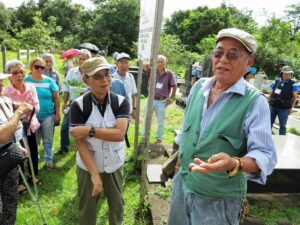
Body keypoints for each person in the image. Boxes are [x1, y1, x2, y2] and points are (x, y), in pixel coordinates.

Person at [168, 28, 277, 225]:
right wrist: (178, 165)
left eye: (233, 55)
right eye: (218, 53)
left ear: (249, 61)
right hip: (182, 185)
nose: (223, 60)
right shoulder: (199, 87)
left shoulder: (254, 102)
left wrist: (234, 163)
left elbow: (265, 155)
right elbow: (186, 130)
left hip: (218, 200)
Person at [69, 57, 130, 225]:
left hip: (114, 164)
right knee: (87, 210)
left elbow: (119, 134)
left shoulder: (121, 102)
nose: (105, 80)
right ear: (85, 80)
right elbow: (80, 143)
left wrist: (89, 130)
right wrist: (94, 175)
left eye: (107, 74)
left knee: (116, 207)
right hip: (88, 166)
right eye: (98, 76)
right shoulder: (78, 106)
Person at [3, 60, 42, 190]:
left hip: (31, 124)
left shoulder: (31, 87)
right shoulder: (5, 92)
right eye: (15, 73)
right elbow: (9, 112)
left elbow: (36, 106)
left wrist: (23, 111)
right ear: (9, 76)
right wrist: (23, 110)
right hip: (16, 128)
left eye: (21, 72)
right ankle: (20, 182)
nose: (19, 75)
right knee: (19, 153)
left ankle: (33, 174)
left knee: (33, 150)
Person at [0, 73, 33, 225]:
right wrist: (19, 112)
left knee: (10, 200)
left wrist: (18, 145)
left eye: (1, 80)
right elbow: (2, 135)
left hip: (8, 157)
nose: (1, 84)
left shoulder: (5, 100)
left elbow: (14, 130)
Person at [25, 57, 60, 170]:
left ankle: (49, 160)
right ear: (31, 67)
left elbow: (56, 98)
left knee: (48, 139)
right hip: (31, 117)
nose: (40, 69)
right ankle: (36, 158)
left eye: (42, 67)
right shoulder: (26, 80)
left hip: (48, 115)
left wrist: (57, 114)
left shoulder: (49, 81)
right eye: (37, 67)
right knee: (34, 140)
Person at [56, 49, 91, 155]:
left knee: (84, 128)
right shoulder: (72, 71)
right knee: (65, 126)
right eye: (80, 59)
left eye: (85, 59)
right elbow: (66, 87)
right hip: (73, 103)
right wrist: (65, 102)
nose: (82, 61)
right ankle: (64, 147)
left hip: (87, 104)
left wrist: (85, 92)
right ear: (77, 59)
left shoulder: (91, 73)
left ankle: (83, 149)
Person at [142, 55, 177, 144]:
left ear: (165, 63)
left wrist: (171, 98)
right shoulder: (152, 70)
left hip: (162, 100)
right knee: (147, 118)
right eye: (158, 61)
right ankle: (145, 137)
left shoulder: (169, 74)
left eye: (162, 61)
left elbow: (174, 86)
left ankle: (159, 138)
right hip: (151, 99)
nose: (160, 63)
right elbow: (143, 66)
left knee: (161, 121)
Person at [268, 65, 298, 135]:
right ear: (282, 73)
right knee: (268, 123)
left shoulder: (294, 83)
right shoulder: (276, 81)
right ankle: (267, 139)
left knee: (283, 126)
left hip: (284, 108)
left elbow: (295, 96)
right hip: (273, 106)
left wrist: (291, 107)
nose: (287, 75)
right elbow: (271, 92)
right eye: (286, 73)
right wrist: (268, 102)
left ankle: (282, 141)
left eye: (289, 73)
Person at [112, 52, 137, 119]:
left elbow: (133, 95)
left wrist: (134, 109)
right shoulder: (111, 78)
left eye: (126, 63)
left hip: (128, 111)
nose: (124, 65)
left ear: (129, 65)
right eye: (121, 62)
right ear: (116, 64)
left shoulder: (131, 77)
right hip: (115, 112)